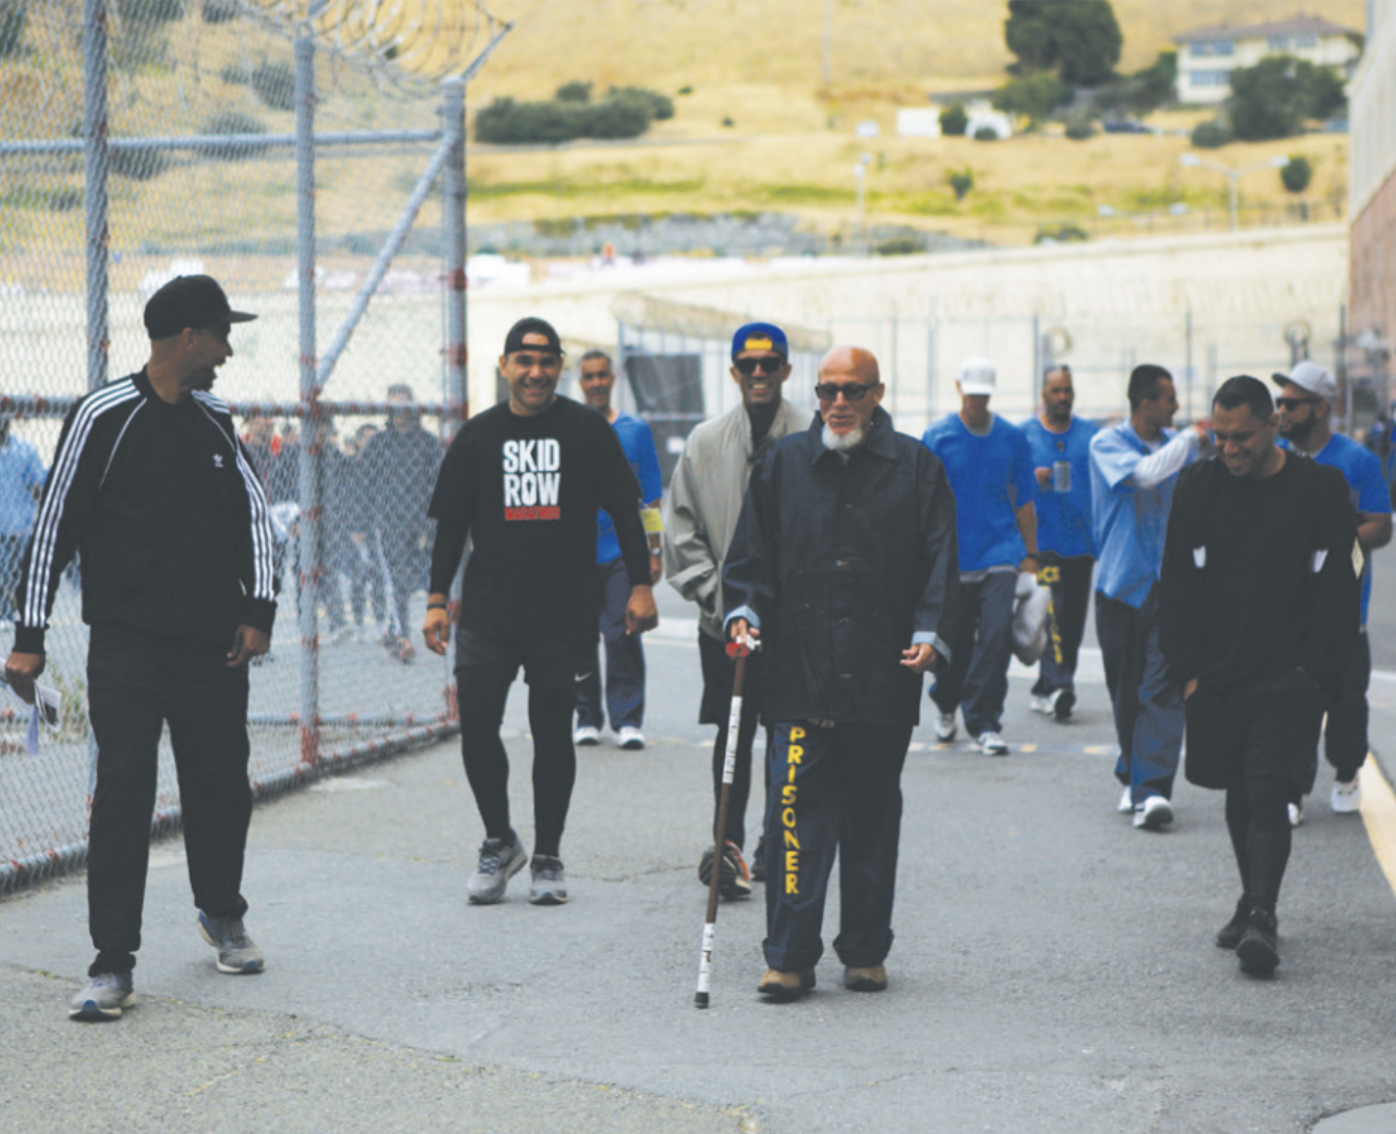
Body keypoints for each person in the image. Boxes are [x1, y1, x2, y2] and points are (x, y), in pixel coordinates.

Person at [4, 274, 277, 1020]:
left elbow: (257, 522)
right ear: (189, 337)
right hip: (127, 648)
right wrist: (28, 639)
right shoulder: (103, 414)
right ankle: (111, 964)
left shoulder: (216, 418)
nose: (227, 350)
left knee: (221, 785)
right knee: (123, 792)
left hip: (215, 648)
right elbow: (53, 527)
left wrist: (258, 611)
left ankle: (222, 913)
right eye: (222, 334)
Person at [723, 345, 958, 1001]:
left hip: (883, 679)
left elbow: (941, 561)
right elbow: (749, 561)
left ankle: (863, 950)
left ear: (878, 393)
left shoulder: (916, 467)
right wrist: (743, 611)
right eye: (828, 391)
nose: (839, 404)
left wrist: (930, 633)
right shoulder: (784, 466)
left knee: (871, 819)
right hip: (798, 677)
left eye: (853, 391)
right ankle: (790, 956)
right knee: (794, 816)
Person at [423, 317, 656, 906]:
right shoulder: (477, 437)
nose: (536, 371)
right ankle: (499, 841)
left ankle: (547, 855)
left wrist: (641, 587)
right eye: (524, 361)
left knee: (553, 732)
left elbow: (628, 512)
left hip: (563, 614)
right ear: (504, 367)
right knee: (477, 723)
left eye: (547, 360)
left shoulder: (585, 431)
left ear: (560, 367)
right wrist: (434, 601)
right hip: (488, 613)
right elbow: (451, 526)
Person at [1160, 375, 1359, 976]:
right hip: (1217, 677)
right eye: (1219, 437)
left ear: (1275, 424)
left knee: (1270, 790)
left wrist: (1318, 675)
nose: (1230, 449)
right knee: (1239, 791)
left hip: (1289, 677)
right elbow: (1175, 583)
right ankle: (1251, 900)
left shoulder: (1319, 488)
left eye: (1242, 436)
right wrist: (1186, 673)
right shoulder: (1198, 486)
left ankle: (1264, 917)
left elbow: (1339, 586)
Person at [665, 321, 809, 899]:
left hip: (794, 628)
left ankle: (779, 841)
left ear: (785, 371)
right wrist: (724, 603)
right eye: (747, 365)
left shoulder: (812, 433)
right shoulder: (704, 442)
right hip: (724, 627)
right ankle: (727, 845)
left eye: (769, 363)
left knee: (789, 735)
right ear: (732, 371)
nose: (757, 373)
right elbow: (681, 532)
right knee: (733, 737)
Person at [1089, 364, 1207, 831]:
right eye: (1169, 399)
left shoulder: (1179, 449)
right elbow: (1142, 477)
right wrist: (1191, 440)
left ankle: (1153, 790)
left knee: (1161, 687)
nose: (1176, 407)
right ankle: (1133, 772)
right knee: (1125, 691)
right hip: (1120, 587)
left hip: (1170, 589)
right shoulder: (1108, 444)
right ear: (1146, 404)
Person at [1274, 360, 1391, 822]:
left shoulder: (1356, 460)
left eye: (1292, 403)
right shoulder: (1275, 457)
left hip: (1345, 608)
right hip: (1287, 610)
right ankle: (1289, 790)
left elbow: (1380, 527)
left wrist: (1336, 542)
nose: (1282, 411)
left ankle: (1346, 773)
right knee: (1290, 702)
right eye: (1280, 402)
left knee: (1345, 703)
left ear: (1320, 408)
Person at [921, 357, 1039, 756]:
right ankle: (945, 702)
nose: (976, 402)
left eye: (982, 396)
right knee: (951, 641)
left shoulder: (1011, 438)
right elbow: (922, 503)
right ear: (959, 389)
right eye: (971, 395)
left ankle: (984, 721)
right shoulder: (937, 437)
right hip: (953, 558)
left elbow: (1024, 501)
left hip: (999, 553)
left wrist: (1031, 556)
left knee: (995, 637)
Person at [572, 349, 664, 750]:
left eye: (601, 376)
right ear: (581, 383)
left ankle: (627, 719)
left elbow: (651, 499)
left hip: (621, 554)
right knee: (577, 637)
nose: (595, 383)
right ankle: (586, 717)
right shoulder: (567, 428)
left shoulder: (635, 430)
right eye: (588, 377)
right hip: (573, 554)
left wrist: (655, 548)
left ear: (613, 379)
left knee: (623, 634)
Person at [1021, 365, 1097, 721]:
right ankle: (1059, 687)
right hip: (1043, 544)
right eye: (1056, 391)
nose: (1063, 397)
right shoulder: (1024, 437)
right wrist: (1029, 479)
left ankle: (1047, 686)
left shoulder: (1091, 436)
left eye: (1068, 390)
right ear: (1043, 394)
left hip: (1081, 545)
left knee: (1073, 620)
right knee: (1052, 613)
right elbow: (1004, 488)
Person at [354, 385, 442, 663]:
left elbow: (439, 482)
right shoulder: (379, 443)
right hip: (389, 524)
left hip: (425, 523)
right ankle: (401, 639)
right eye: (394, 408)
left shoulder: (428, 442)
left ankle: (435, 631)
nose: (399, 414)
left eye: (404, 407)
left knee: (430, 580)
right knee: (396, 585)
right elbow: (363, 486)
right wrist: (359, 525)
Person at [0, 414, 47, 624]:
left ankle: (12, 613)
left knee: (18, 578)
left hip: (20, 528)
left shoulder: (24, 449)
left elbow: (38, 485)